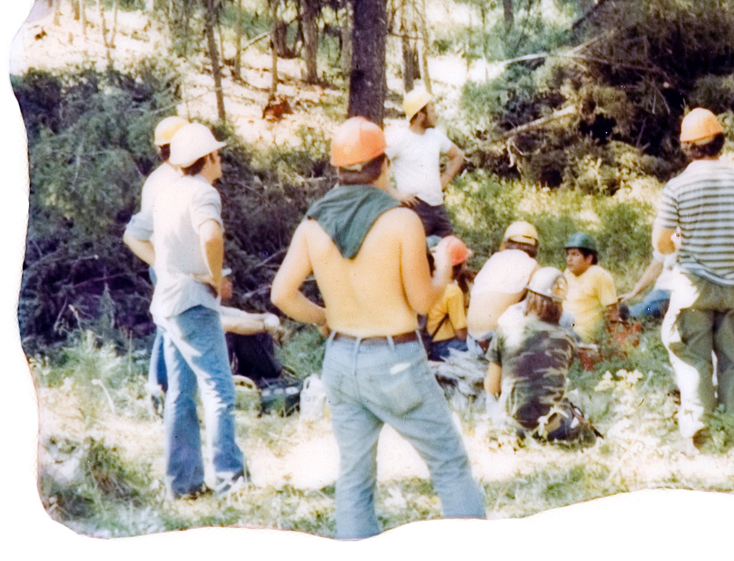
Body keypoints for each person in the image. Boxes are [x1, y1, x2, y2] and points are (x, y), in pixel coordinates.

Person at [270, 116, 485, 539]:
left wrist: (324, 317)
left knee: (354, 477)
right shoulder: (401, 220)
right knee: (449, 464)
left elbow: (282, 295)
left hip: (341, 361)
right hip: (395, 360)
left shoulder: (314, 222)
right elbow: (424, 302)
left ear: (337, 169)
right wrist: (442, 267)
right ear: (384, 163)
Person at [123, 123, 246, 499]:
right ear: (205, 159)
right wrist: (212, 276)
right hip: (194, 302)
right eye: (217, 154)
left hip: (168, 304)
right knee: (220, 391)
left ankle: (182, 482)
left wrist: (167, 266)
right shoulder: (203, 193)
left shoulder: (166, 191)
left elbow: (132, 234)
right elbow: (210, 234)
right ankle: (230, 480)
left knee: (179, 393)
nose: (220, 159)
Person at [652, 108, 734, 451]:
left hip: (693, 288)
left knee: (692, 358)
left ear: (687, 147)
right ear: (721, 141)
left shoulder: (677, 187)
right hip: (733, 287)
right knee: (733, 359)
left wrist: (680, 242)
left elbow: (661, 243)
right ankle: (733, 434)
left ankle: (701, 437)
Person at [123, 115, 189, 403]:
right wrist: (164, 266)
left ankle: (160, 388)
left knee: (168, 324)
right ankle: (158, 390)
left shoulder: (162, 178)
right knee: (169, 326)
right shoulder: (169, 182)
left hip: (166, 262)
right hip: (167, 263)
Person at [484, 267, 591, 443]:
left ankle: (499, 425)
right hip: (555, 430)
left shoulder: (506, 330)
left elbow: (491, 386)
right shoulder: (567, 338)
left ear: (531, 297)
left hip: (511, 427)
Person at [385, 88, 465, 237]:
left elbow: (458, 155)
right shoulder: (399, 137)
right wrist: (394, 193)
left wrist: (445, 179)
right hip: (415, 208)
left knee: (448, 254)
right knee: (418, 255)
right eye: (432, 109)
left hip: (438, 207)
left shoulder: (435, 135)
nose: (436, 114)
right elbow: (377, 164)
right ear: (421, 115)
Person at [466, 221, 540, 342]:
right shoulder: (532, 266)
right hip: (496, 341)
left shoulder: (493, 260)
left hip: (472, 340)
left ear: (505, 243)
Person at [562, 232, 621, 341]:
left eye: (575, 254)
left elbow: (612, 310)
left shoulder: (599, 275)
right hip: (562, 326)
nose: (569, 259)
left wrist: (614, 342)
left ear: (589, 258)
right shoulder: (567, 273)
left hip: (581, 334)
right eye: (568, 254)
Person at [424, 234, 474, 361]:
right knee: (480, 348)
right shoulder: (453, 291)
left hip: (427, 343)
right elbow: (461, 333)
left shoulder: (431, 282)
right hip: (442, 346)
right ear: (461, 264)